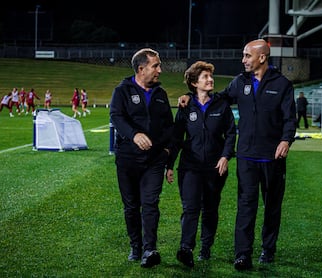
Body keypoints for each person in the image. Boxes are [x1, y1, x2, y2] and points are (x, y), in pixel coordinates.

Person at [178, 39, 297, 271]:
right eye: (243, 56)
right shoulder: (239, 82)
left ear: (262, 57)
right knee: (246, 206)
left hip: (273, 157)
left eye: (247, 56)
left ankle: (268, 249)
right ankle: (243, 254)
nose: (243, 60)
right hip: (246, 157)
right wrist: (188, 95)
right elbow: (217, 98)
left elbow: (289, 118)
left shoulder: (282, 84)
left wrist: (286, 139)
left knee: (272, 205)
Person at [165, 61, 236, 268]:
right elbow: (177, 138)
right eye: (205, 77)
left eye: (210, 76)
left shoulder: (221, 105)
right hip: (190, 167)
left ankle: (206, 246)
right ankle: (186, 248)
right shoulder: (186, 106)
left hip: (215, 168)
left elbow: (231, 133)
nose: (210, 79)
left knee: (210, 208)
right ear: (195, 82)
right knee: (191, 208)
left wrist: (225, 156)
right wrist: (169, 165)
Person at [109, 48, 174, 268]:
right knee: (131, 206)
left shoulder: (161, 94)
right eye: (155, 66)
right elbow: (116, 117)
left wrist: (165, 150)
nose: (160, 70)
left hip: (154, 161)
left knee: (150, 203)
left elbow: (169, 126)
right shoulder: (122, 91)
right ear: (141, 68)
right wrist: (134, 134)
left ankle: (149, 249)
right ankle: (135, 246)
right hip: (128, 159)